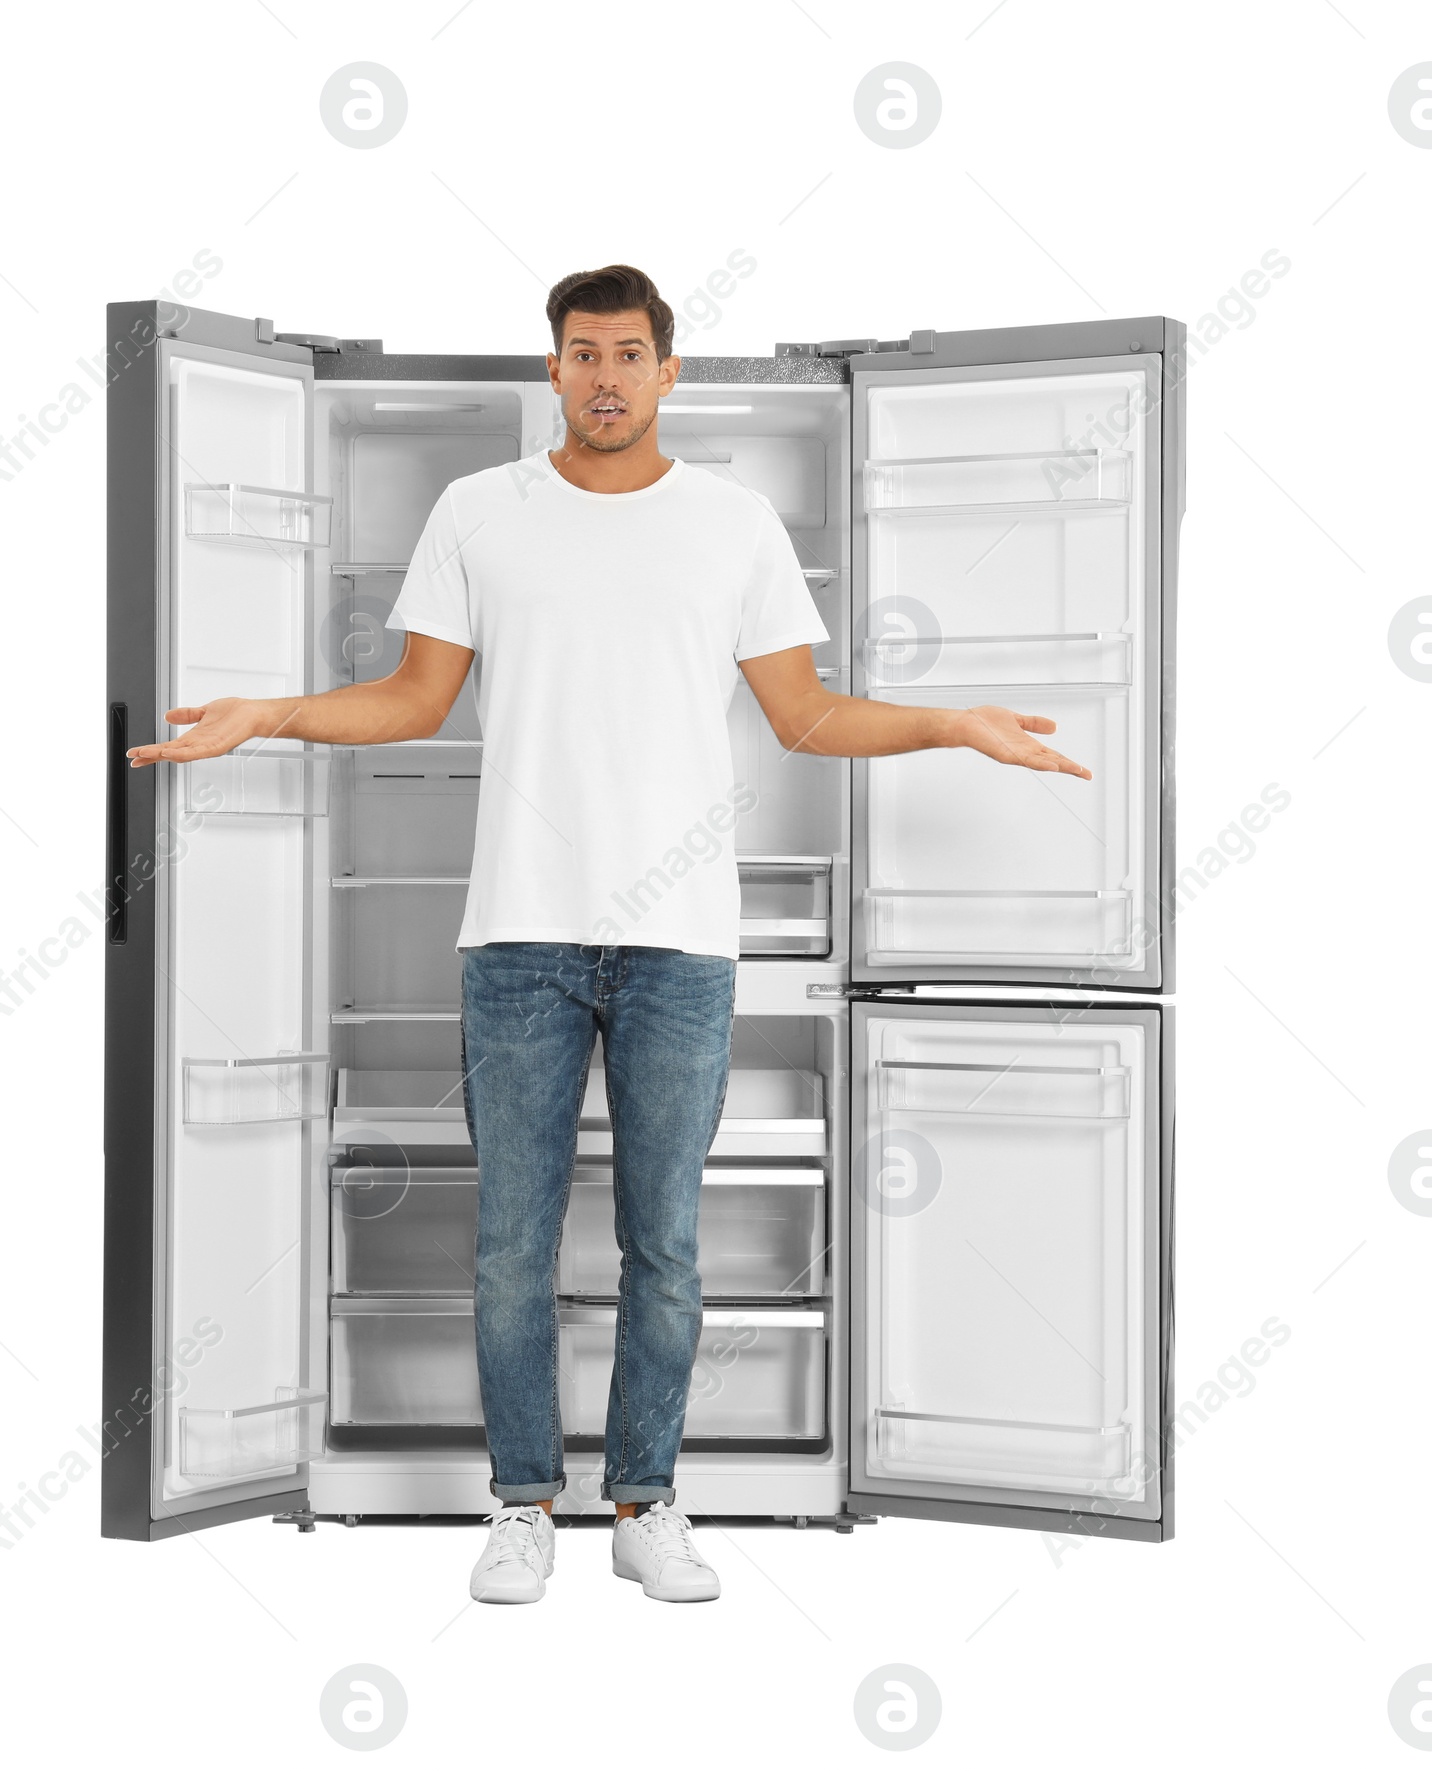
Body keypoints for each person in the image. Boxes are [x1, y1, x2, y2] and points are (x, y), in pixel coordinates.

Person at [127, 263, 1089, 1605]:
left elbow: (807, 717)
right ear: (553, 369)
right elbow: (411, 702)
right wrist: (264, 713)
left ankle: (646, 1502)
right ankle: (523, 1504)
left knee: (665, 1244)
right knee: (511, 1243)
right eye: (582, 353)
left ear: (668, 372)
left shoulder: (733, 525)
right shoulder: (482, 513)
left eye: (630, 353)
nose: (605, 377)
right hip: (518, 933)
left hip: (680, 943)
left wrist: (952, 723)